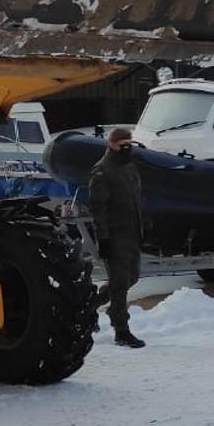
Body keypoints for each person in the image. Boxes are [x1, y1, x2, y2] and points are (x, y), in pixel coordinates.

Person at [87, 127, 147, 348]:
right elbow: (98, 209)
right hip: (115, 235)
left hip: (132, 232)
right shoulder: (102, 171)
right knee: (120, 283)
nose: (127, 148)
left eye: (130, 144)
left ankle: (91, 304)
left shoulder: (129, 166)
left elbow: (136, 198)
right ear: (111, 145)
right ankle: (121, 330)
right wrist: (103, 238)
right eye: (123, 145)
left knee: (132, 277)